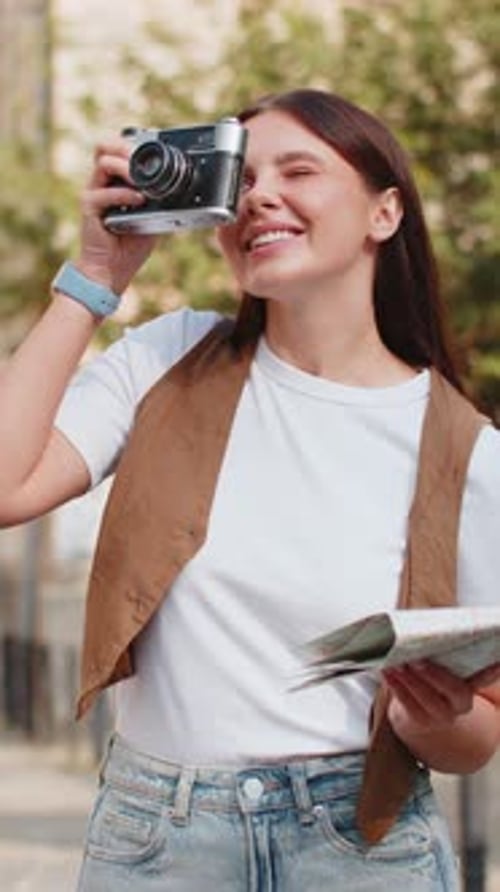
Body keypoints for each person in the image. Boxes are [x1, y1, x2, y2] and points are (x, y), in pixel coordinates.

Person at [0, 88, 499, 892]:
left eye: (298, 170)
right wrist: (94, 277)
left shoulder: (469, 452)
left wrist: (429, 716)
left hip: (364, 849)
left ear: (385, 213)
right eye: (242, 181)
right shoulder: (166, 359)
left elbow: (475, 741)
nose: (260, 196)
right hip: (160, 840)